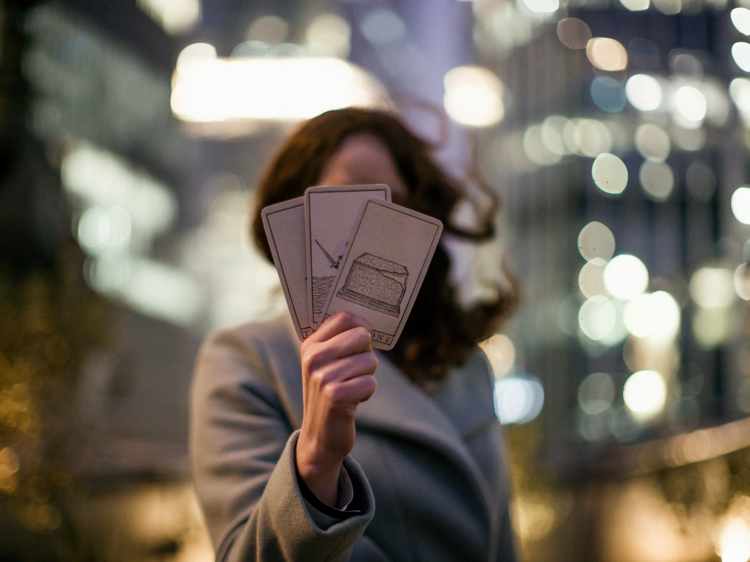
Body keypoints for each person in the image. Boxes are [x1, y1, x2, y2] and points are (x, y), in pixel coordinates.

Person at [190, 107, 519, 562]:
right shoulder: (246, 361)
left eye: (394, 206)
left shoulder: (466, 364)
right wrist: (316, 460)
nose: (373, 228)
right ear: (294, 223)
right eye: (350, 201)